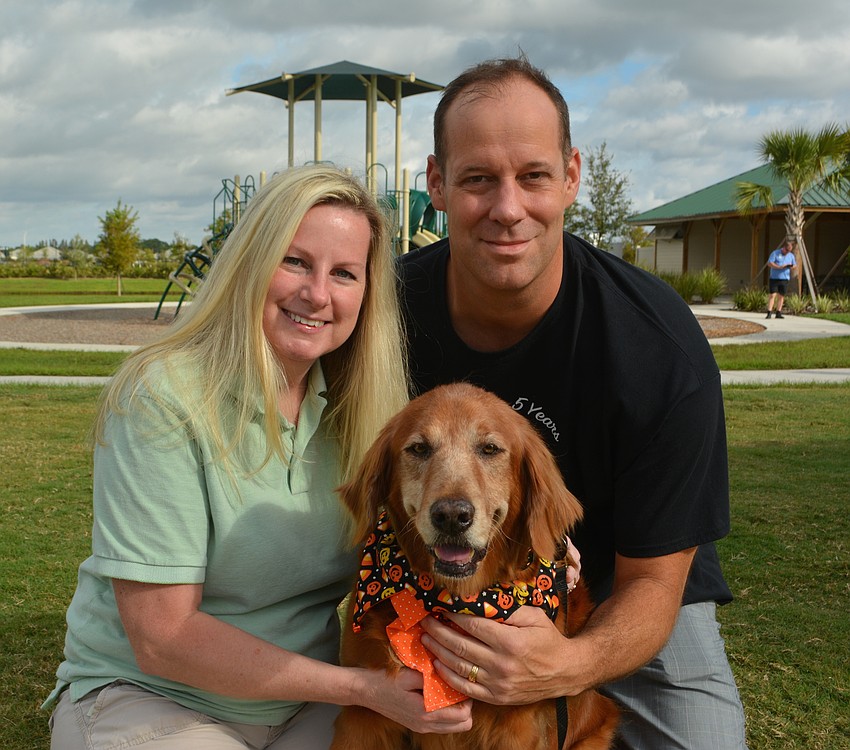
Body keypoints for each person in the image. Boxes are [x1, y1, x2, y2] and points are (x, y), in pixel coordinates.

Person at [44, 165, 474, 749]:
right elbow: (162, 638)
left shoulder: (372, 414)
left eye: (344, 273)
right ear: (252, 261)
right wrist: (362, 689)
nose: (317, 293)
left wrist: (542, 558)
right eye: (295, 261)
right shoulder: (163, 395)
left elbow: (427, 543)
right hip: (152, 696)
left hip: (308, 702)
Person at [399, 57, 749, 749]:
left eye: (532, 175)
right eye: (477, 178)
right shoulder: (385, 317)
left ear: (571, 176)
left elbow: (654, 581)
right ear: (436, 183)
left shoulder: (658, 350)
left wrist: (566, 665)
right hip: (439, 577)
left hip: (623, 597)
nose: (507, 208)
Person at [766, 239, 798, 318]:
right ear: (784, 247)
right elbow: (769, 263)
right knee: (772, 295)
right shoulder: (775, 253)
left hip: (784, 279)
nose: (787, 252)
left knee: (781, 296)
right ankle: (769, 312)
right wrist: (779, 267)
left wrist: (790, 266)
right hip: (774, 278)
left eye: (789, 251)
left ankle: (778, 312)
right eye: (786, 250)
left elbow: (795, 265)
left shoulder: (791, 256)